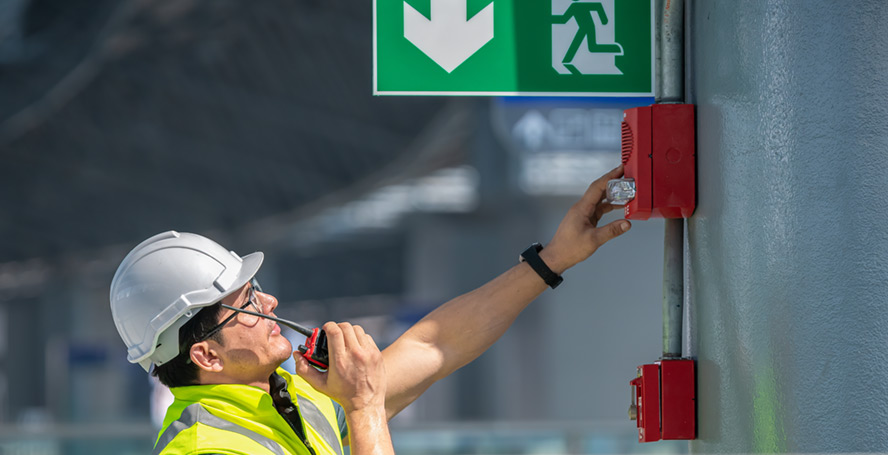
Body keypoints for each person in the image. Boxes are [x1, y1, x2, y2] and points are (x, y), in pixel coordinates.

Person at [109, 166, 632, 454]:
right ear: (206, 355)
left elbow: (435, 343)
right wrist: (362, 408)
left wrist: (553, 259)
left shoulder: (293, 399)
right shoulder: (206, 452)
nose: (268, 302)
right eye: (244, 303)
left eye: (256, 287)